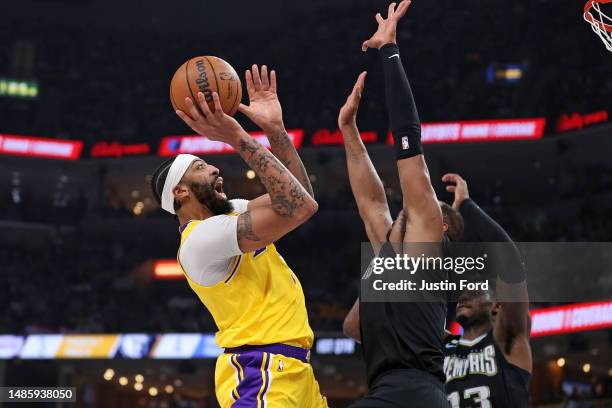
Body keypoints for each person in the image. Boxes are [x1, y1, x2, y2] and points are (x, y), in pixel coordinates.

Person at [150, 65, 327, 408]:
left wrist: (275, 130)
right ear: (181, 191)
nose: (215, 168)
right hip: (260, 372)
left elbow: (302, 195)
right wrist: (236, 137)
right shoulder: (199, 242)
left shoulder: (232, 210)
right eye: (200, 166)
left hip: (293, 371)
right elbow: (299, 208)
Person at [341, 1, 451, 406]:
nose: (427, 203)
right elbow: (369, 200)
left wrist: (390, 52)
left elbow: (409, 141)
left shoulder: (425, 239)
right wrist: (348, 129)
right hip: (385, 390)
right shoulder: (386, 248)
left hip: (418, 390)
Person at [442, 173, 532, 408]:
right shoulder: (443, 345)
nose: (464, 294)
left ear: (497, 305)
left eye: (474, 290)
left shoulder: (507, 338)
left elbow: (511, 261)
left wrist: (466, 207)